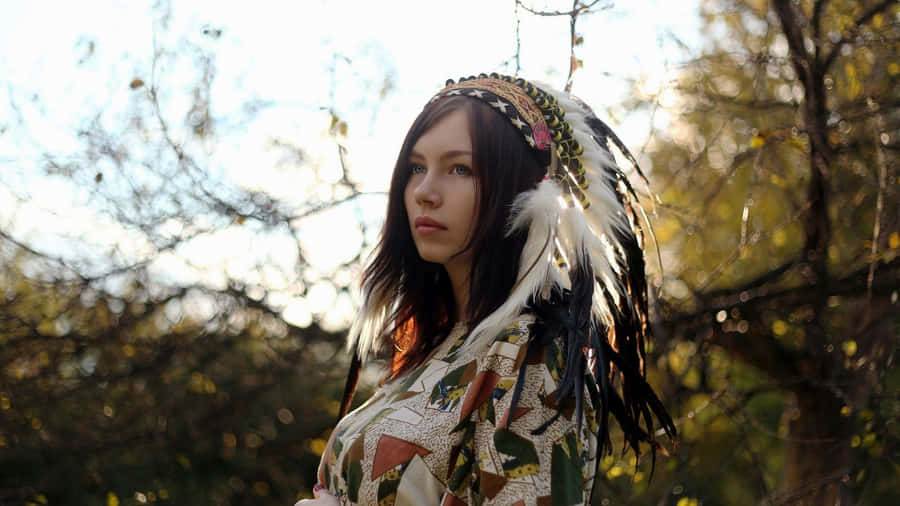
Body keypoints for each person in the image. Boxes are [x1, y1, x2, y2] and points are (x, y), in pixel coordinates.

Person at [296, 73, 676, 506]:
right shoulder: (439, 343)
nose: (424, 191)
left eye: (461, 169)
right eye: (416, 168)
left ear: (522, 190)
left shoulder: (532, 354)